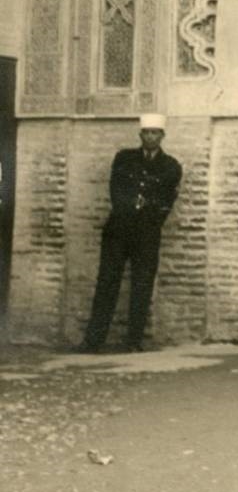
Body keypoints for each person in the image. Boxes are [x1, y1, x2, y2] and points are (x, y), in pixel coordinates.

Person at [79, 114, 182, 353]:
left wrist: (149, 218)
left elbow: (167, 200)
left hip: (147, 233)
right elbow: (116, 191)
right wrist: (130, 211)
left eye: (155, 133)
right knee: (107, 283)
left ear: (162, 136)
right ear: (141, 135)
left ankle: (134, 341)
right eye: (147, 133)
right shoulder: (124, 159)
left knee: (142, 285)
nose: (150, 137)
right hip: (119, 230)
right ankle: (93, 340)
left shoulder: (171, 166)